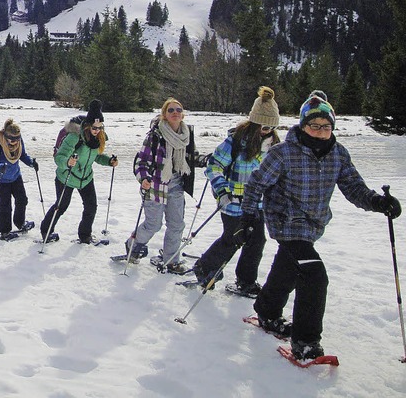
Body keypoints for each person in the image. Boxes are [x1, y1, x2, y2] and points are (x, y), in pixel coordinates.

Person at [240, 91, 402, 360]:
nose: (320, 131)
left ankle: (267, 310)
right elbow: (257, 183)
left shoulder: (338, 153)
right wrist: (248, 217)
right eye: (314, 125)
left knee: (289, 268)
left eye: (325, 126)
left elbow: (353, 186)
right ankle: (305, 342)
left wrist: (377, 202)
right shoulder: (283, 153)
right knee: (314, 275)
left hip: (313, 224)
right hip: (286, 222)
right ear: (303, 125)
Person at [193, 86, 281, 293]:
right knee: (234, 238)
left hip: (257, 204)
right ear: (253, 123)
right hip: (233, 202)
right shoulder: (235, 142)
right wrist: (222, 190)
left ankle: (246, 281)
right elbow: (213, 166)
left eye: (270, 128)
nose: (266, 131)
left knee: (257, 241)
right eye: (263, 127)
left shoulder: (274, 146)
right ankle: (205, 267)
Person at [125, 98, 206, 273]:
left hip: (176, 184)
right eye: (171, 110)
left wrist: (207, 160)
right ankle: (132, 245)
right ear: (164, 114)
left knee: (177, 224)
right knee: (153, 224)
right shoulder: (155, 135)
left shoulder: (186, 135)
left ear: (183, 114)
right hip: (155, 185)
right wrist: (144, 178)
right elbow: (141, 161)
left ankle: (171, 260)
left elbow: (191, 158)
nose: (175, 112)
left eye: (179, 109)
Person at [40, 99, 118, 244]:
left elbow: (96, 156)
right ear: (87, 125)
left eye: (100, 127)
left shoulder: (98, 138)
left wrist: (109, 161)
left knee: (91, 206)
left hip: (86, 178)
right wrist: (67, 162)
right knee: (61, 206)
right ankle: (46, 231)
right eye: (95, 128)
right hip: (67, 176)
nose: (97, 131)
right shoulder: (74, 137)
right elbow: (59, 158)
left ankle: (85, 235)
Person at [0, 118, 37, 240]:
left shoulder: (19, 142)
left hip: (15, 176)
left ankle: (20, 223)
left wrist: (31, 163)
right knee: (5, 205)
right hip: (1, 179)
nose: (15, 142)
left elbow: (22, 155)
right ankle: (4, 231)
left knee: (22, 200)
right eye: (12, 140)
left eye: (17, 139)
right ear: (6, 137)